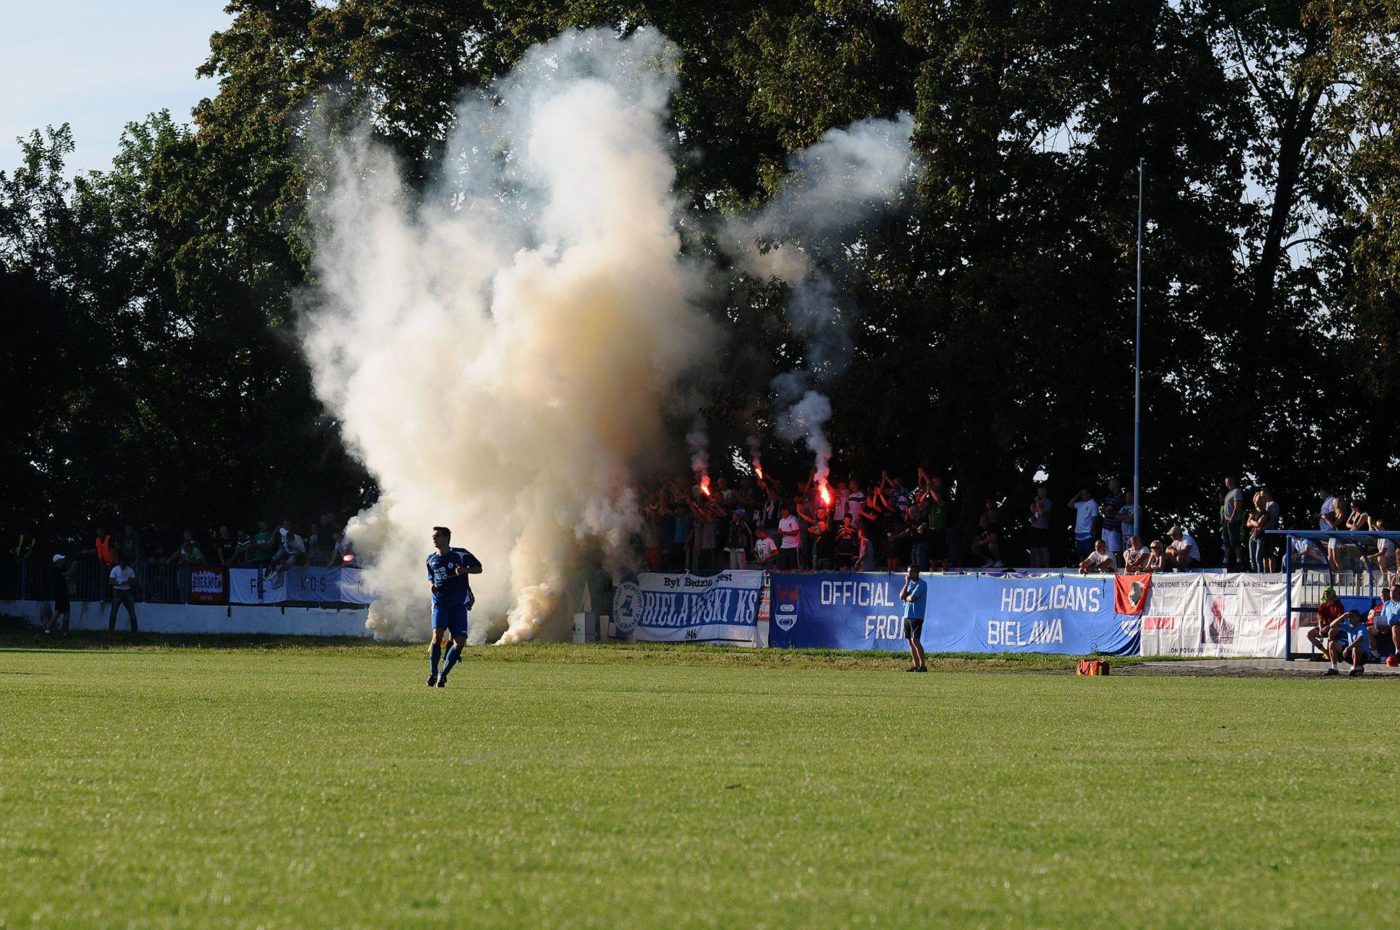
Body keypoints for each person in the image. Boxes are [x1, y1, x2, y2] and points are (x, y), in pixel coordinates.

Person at [425, 526, 482, 688]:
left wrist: (464, 570)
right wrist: (431, 585)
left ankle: (444, 674)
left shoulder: (460, 554)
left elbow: (479, 568)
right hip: (440, 603)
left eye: (437, 536)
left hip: (457, 604)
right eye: (433, 536)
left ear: (446, 538)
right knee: (437, 636)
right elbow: (430, 577)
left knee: (460, 642)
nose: (434, 539)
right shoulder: (430, 558)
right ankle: (433, 672)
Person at [899, 565, 928, 673]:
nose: (909, 574)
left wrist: (906, 597)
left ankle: (923, 666)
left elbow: (912, 598)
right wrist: (906, 583)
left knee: (915, 640)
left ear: (917, 572)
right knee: (910, 642)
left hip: (916, 615)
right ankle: (916, 666)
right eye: (908, 572)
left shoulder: (921, 584)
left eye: (911, 572)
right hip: (907, 615)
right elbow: (901, 596)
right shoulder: (909, 584)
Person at [1324, 610, 1370, 677]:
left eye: (1352, 616)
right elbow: (1332, 626)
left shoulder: (1362, 627)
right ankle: (1334, 668)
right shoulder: (1348, 626)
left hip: (1363, 656)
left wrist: (1348, 648)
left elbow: (1360, 639)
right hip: (1351, 654)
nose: (1350, 618)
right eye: (1349, 616)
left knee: (1355, 647)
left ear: (1358, 618)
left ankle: (1356, 668)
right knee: (1332, 643)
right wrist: (1342, 616)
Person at [1307, 587, 1345, 656]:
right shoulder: (1323, 605)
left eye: (1328, 594)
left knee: (1330, 632)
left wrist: (1328, 627)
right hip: (1325, 628)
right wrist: (1320, 628)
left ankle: (1331, 653)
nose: (1326, 596)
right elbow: (1320, 619)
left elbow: (1340, 620)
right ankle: (1325, 652)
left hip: (1336, 627)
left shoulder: (1339, 605)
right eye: (1325, 594)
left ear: (1332, 594)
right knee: (1309, 634)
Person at [108, 557, 139, 633]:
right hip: (117, 591)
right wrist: (120, 583)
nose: (123, 566)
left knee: (132, 612)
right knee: (114, 612)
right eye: (122, 564)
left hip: (127, 591)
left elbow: (135, 581)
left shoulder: (130, 570)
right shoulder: (115, 569)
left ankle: (134, 631)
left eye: (124, 564)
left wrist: (130, 581)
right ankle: (111, 630)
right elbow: (111, 581)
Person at [46, 554, 76, 634]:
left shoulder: (59, 569)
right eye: (61, 559)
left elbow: (67, 576)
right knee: (64, 612)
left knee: (59, 611)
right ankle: (64, 631)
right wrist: (73, 566)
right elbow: (66, 574)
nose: (63, 560)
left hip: (61, 593)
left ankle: (49, 629)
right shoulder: (57, 569)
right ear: (57, 561)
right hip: (61, 593)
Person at [1221, 478, 1245, 570]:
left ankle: (1239, 561)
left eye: (1226, 482)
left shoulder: (1237, 492)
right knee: (1227, 542)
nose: (1225, 484)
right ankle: (1225, 561)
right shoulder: (1228, 493)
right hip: (1226, 521)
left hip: (1233, 521)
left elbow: (1237, 507)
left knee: (1235, 541)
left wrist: (1232, 518)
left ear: (1229, 482)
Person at [1069, 490, 1098, 560]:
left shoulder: (1093, 503)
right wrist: (1078, 494)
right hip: (1079, 532)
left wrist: (1092, 529)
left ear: (1089, 494)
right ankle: (1082, 567)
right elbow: (1069, 504)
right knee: (1080, 553)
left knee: (1089, 553)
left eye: (1084, 494)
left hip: (1088, 532)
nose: (1082, 496)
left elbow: (1095, 517)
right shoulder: (1080, 504)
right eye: (1081, 494)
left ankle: (1091, 569)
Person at [1029, 486, 1052, 568]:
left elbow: (1042, 513)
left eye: (1041, 492)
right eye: (1038, 492)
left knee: (1043, 548)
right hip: (1035, 527)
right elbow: (1035, 514)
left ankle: (1046, 567)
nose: (1040, 494)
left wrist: (1037, 502)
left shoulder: (1047, 501)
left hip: (1042, 527)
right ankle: (1037, 567)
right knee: (1036, 549)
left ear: (1045, 492)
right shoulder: (1038, 502)